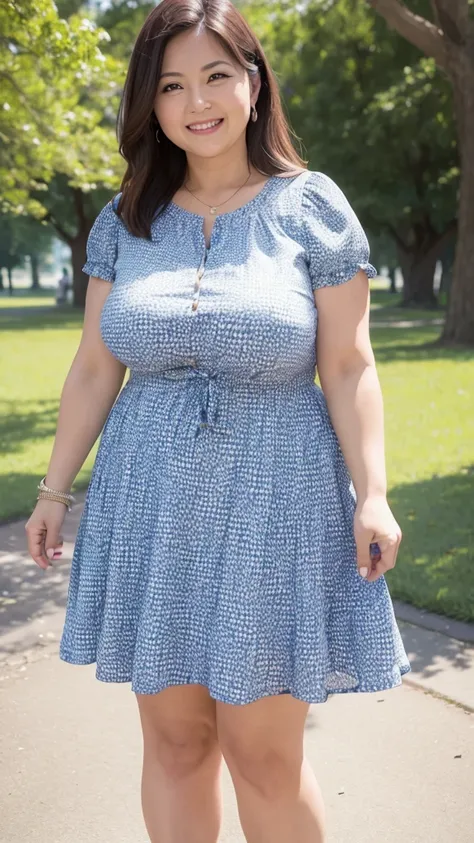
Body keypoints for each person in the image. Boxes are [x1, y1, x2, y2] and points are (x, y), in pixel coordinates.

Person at [25, 1, 411, 841]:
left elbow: (348, 365)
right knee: (174, 741)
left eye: (215, 75)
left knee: (263, 753)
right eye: (171, 85)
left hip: (275, 497)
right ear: (150, 105)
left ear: (252, 82)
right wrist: (55, 488)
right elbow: (96, 364)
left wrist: (373, 492)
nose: (196, 101)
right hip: (150, 498)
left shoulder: (311, 206)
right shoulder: (126, 217)